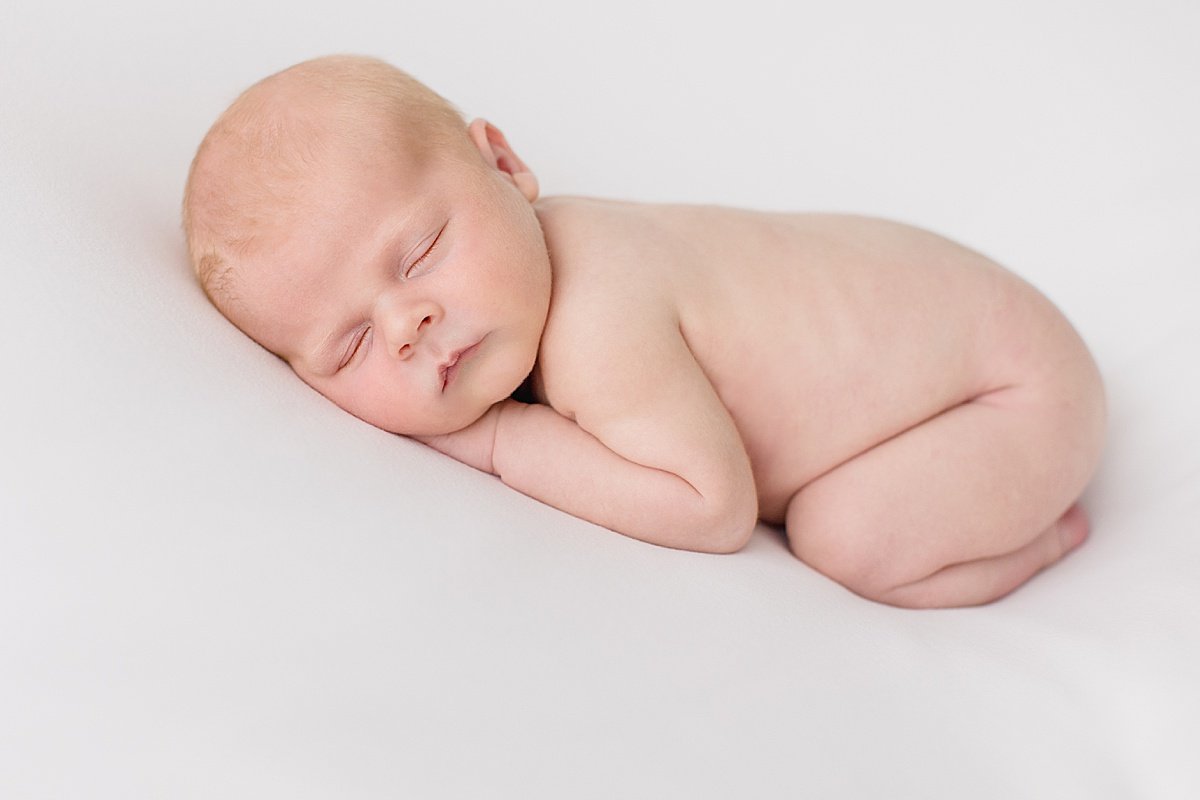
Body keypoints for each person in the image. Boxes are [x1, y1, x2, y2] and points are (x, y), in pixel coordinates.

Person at [182, 54, 1106, 608]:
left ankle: (1042, 540)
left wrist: (506, 441)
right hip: (955, 324)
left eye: (421, 251)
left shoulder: (596, 316)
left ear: (504, 164)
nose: (407, 326)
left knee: (844, 537)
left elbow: (711, 508)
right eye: (348, 347)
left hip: (1008, 393)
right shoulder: (532, 275)